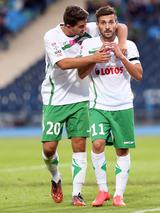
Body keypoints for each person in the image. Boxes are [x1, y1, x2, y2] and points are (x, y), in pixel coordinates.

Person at [41, 5, 128, 206]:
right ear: (69, 26)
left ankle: (77, 194)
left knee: (79, 145)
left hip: (81, 97)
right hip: (55, 97)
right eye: (80, 27)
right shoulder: (51, 37)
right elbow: (62, 64)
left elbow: (120, 26)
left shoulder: (85, 28)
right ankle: (55, 178)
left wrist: (122, 42)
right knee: (49, 148)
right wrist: (93, 58)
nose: (85, 30)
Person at [78, 5, 143, 207]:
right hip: (98, 105)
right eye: (103, 22)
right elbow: (81, 74)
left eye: (111, 22)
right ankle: (103, 190)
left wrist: (120, 56)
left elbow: (139, 75)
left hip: (123, 105)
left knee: (122, 150)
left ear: (116, 23)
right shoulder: (89, 45)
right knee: (97, 144)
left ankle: (118, 195)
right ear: (97, 25)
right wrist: (95, 58)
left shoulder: (128, 45)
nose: (107, 26)